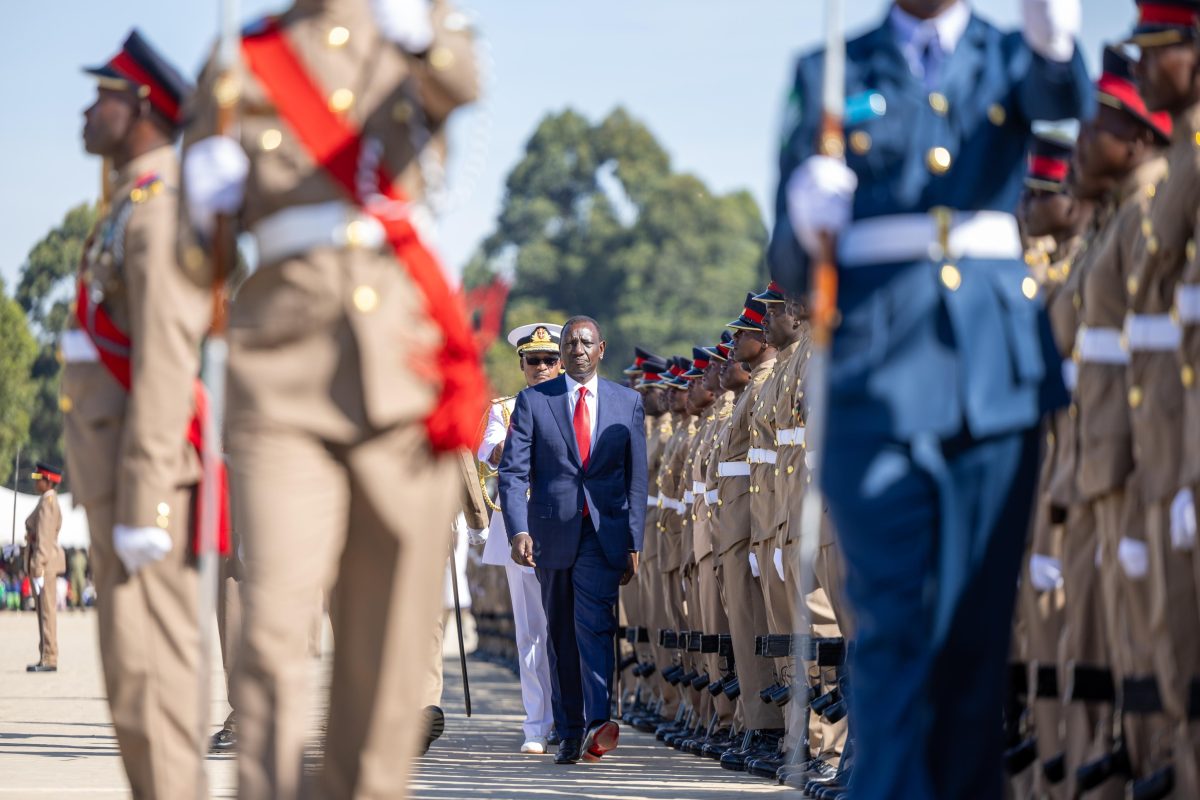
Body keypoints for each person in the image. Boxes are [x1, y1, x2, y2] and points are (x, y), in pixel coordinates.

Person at [769, 0, 1091, 796]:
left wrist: (1056, 47)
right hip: (875, 380)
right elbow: (783, 261)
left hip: (994, 377)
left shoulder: (1008, 56)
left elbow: (1065, 108)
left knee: (974, 643)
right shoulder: (829, 73)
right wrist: (805, 221)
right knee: (893, 627)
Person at [181, 1, 484, 797]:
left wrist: (419, 27)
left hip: (403, 370)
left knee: (381, 654)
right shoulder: (242, 61)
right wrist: (197, 198)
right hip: (282, 371)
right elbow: (188, 260)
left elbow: (462, 79)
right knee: (275, 622)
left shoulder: (411, 35)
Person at [62, 30, 212, 798]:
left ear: (143, 110)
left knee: (153, 680)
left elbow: (161, 361)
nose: (88, 112)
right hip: (118, 480)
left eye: (105, 99)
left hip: (143, 482)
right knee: (132, 687)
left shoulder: (156, 212)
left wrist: (150, 501)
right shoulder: (130, 203)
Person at [498, 315, 648, 765]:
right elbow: (513, 471)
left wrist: (634, 541)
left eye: (585, 342)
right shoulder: (533, 401)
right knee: (560, 631)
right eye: (570, 343)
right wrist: (519, 529)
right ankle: (568, 729)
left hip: (603, 536)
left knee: (596, 626)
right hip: (551, 533)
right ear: (562, 353)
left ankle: (599, 723)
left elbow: (636, 479)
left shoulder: (628, 402)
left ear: (601, 349)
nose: (577, 349)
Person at [476, 323, 563, 754]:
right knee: (530, 629)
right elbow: (492, 453)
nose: (543, 368)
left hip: (565, 522)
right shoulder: (506, 409)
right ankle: (536, 722)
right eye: (534, 361)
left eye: (550, 360)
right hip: (521, 524)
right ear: (522, 364)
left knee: (565, 624)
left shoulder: (575, 403)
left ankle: (570, 716)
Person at [25, 463, 64, 673]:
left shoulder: (48, 502)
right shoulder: (45, 500)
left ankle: (49, 657)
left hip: (45, 563)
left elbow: (45, 539)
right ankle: (45, 655)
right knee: (42, 611)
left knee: (47, 612)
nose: (35, 481)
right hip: (44, 562)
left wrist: (38, 566)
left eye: (38, 477)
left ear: (48, 480)